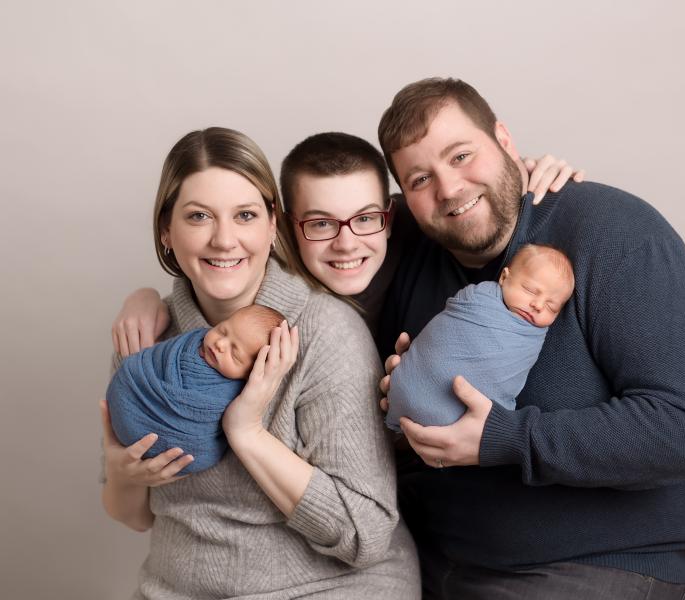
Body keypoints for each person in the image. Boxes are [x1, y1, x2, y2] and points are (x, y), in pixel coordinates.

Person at [375, 77, 685, 599]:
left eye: (462, 155)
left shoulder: (614, 234)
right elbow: (291, 219)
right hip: (432, 557)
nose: (449, 189)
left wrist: (502, 439)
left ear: (505, 141)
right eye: (420, 178)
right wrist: (400, 410)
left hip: (594, 563)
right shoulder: (404, 245)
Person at [100, 127, 421, 599]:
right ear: (166, 231)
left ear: (272, 226)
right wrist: (124, 476)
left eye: (245, 215)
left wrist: (246, 432)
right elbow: (135, 516)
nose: (224, 240)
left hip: (325, 588)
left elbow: (366, 533)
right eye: (198, 216)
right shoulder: (145, 338)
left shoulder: (323, 332)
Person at [111, 132, 583, 348]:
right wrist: (148, 297)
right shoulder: (271, 273)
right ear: (285, 226)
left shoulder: (410, 230)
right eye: (319, 224)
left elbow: (467, 200)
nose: (346, 243)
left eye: (363, 219)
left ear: (390, 213)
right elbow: (216, 250)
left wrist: (529, 173)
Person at [386, 244, 574, 431]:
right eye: (530, 290)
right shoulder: (477, 299)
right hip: (406, 388)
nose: (539, 305)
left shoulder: (533, 338)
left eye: (552, 307)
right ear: (504, 277)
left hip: (466, 429)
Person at [107, 305, 283, 475]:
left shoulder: (233, 392)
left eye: (235, 353)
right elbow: (147, 362)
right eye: (222, 330)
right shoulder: (189, 341)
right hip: (129, 399)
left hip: (182, 445)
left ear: (251, 373)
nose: (221, 344)